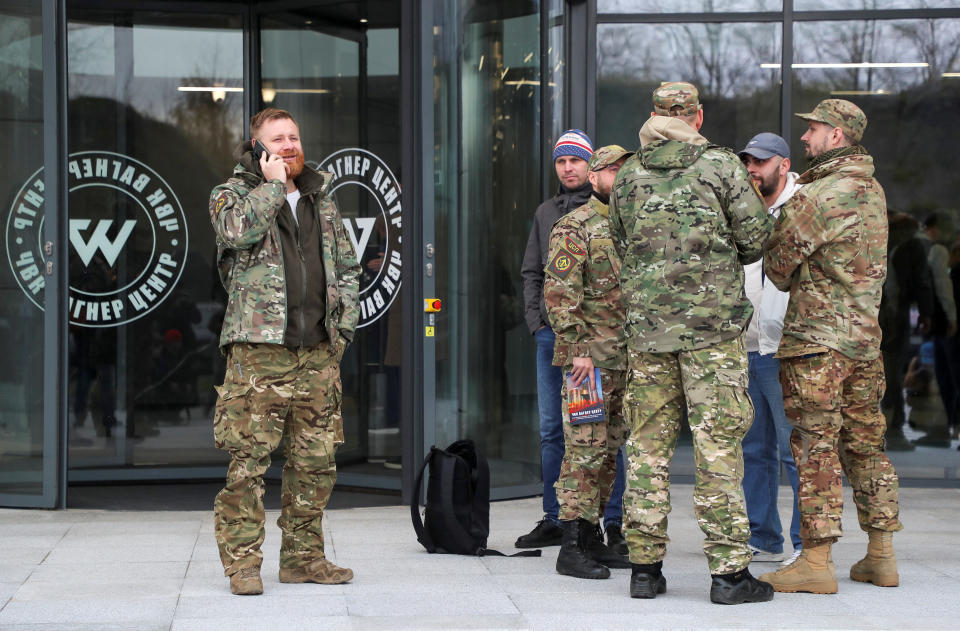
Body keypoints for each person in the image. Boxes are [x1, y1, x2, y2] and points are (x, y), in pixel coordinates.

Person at [609, 81, 774, 605]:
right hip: (712, 335)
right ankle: (728, 576)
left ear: (654, 115)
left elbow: (618, 241)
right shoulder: (721, 166)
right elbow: (755, 240)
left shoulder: (629, 172)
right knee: (718, 450)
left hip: (649, 336)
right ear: (697, 118)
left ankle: (644, 569)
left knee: (647, 452)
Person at [208, 108, 361, 595]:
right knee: (247, 466)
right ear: (257, 148)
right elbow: (236, 232)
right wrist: (272, 186)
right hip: (259, 356)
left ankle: (302, 558)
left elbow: (347, 267)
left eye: (295, 136)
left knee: (315, 464)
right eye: (278, 139)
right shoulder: (230, 195)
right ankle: (242, 565)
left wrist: (343, 332)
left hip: (317, 354)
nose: (290, 145)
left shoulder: (322, 199)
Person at [759, 99, 902, 594]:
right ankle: (881, 556)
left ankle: (815, 563)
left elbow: (776, 268)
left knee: (816, 447)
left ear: (837, 136)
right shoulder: (872, 188)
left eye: (814, 129)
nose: (805, 138)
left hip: (818, 344)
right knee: (866, 445)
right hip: (865, 341)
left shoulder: (820, 194)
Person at [519, 130, 628, 552]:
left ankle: (608, 523)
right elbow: (536, 273)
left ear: (591, 168)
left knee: (607, 436)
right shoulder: (549, 214)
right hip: (561, 342)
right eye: (561, 161)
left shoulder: (619, 215)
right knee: (557, 432)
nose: (568, 168)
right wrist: (538, 325)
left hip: (606, 349)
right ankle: (559, 519)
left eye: (576, 161)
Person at [544, 145, 633, 579]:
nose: (618, 176)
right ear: (594, 178)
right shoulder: (575, 226)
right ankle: (572, 545)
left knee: (609, 451)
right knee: (584, 450)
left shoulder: (631, 226)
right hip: (587, 365)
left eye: (623, 169)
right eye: (610, 170)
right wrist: (577, 348)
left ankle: (593, 535)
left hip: (622, 362)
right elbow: (560, 293)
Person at [737, 133, 803, 567]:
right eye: (748, 162)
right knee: (753, 451)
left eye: (760, 162)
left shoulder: (803, 208)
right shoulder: (744, 210)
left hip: (786, 349)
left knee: (793, 450)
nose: (752, 169)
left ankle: (805, 543)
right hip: (747, 347)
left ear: (783, 163)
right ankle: (764, 536)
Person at [880, 212, 933, 451]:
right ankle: (893, 428)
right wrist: (925, 312)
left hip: (875, 313)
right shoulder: (912, 247)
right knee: (891, 371)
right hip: (893, 314)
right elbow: (921, 282)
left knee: (883, 372)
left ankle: (888, 427)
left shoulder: (876, 240)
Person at [913, 212, 960, 447]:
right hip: (943, 327)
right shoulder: (939, 254)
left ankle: (949, 426)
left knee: (949, 376)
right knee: (946, 377)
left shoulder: (938, 253)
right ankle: (947, 425)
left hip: (946, 327)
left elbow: (942, 289)